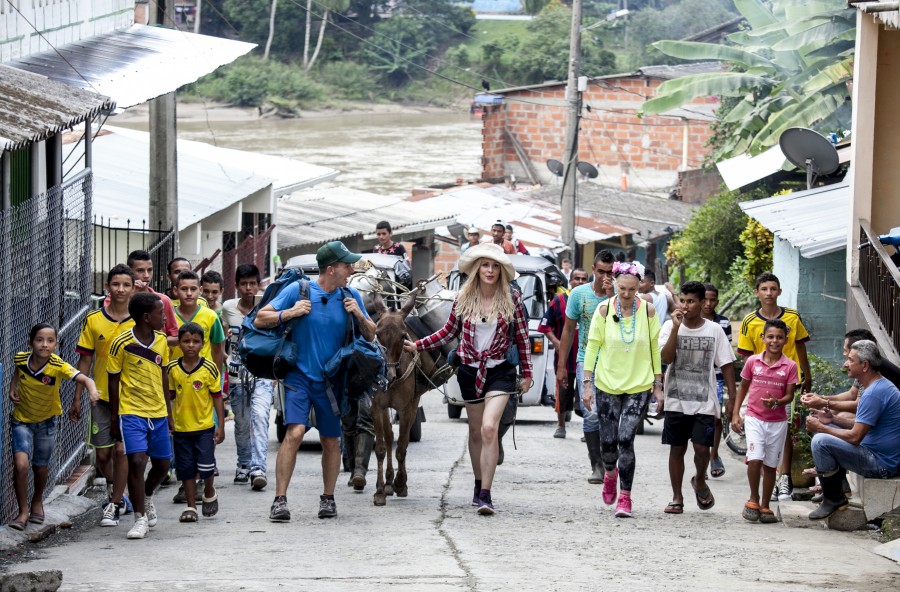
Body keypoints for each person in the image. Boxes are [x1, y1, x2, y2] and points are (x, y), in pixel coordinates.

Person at [405, 243, 532, 515]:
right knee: (475, 431)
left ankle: (486, 493)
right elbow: (448, 332)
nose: (490, 270)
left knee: (489, 429)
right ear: (476, 269)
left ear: (501, 271)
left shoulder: (513, 299)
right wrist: (419, 345)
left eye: (495, 266)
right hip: (469, 370)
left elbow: (522, 337)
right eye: (485, 265)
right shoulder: (463, 298)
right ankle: (477, 485)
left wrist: (528, 374)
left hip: (500, 370)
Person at [255, 241, 375, 521]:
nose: (351, 270)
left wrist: (358, 314)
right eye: (347, 265)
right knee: (294, 432)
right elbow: (261, 318)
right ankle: (280, 500)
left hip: (332, 381)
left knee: (330, 440)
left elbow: (371, 334)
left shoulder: (351, 295)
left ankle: (328, 498)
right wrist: (291, 312)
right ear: (331, 269)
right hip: (298, 376)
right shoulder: (299, 291)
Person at [582, 260, 662, 518]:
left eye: (631, 289)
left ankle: (625, 497)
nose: (626, 294)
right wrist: (586, 383)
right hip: (607, 383)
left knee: (626, 438)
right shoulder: (604, 310)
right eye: (622, 289)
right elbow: (592, 346)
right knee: (608, 443)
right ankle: (609, 473)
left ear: (639, 286)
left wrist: (658, 385)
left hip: (639, 384)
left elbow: (654, 348)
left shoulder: (648, 311)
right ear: (615, 285)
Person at [8, 324, 100, 531]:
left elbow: (84, 378)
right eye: (39, 340)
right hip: (21, 420)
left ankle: (37, 502)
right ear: (30, 342)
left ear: (56, 344)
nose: (44, 345)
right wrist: (13, 388)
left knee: (40, 466)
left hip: (47, 423)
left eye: (50, 341)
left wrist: (92, 391)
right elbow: (17, 372)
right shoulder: (21, 358)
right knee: (21, 464)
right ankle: (22, 512)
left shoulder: (58, 365)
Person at [659, 281, 736, 515]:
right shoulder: (669, 326)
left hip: (705, 400)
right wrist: (675, 328)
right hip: (676, 399)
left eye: (691, 301)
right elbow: (667, 357)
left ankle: (700, 481)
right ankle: (677, 496)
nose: (685, 305)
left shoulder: (714, 330)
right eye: (682, 300)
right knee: (677, 448)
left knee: (703, 449)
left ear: (703, 304)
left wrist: (732, 399)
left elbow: (727, 365)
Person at [737, 272, 811, 502]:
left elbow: (800, 348)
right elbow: (747, 359)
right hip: (760, 385)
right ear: (757, 292)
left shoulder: (792, 317)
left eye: (773, 289)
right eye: (764, 289)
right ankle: (765, 481)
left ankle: (785, 477)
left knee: (786, 430)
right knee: (760, 434)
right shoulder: (750, 322)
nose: (769, 293)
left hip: (789, 383)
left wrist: (807, 375)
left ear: (779, 291)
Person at [806, 340, 900, 520]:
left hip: (881, 464)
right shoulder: (873, 386)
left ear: (864, 365)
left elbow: (856, 437)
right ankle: (837, 491)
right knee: (828, 429)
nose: (845, 364)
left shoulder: (875, 392)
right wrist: (832, 419)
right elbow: (861, 427)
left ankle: (833, 498)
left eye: (850, 360)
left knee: (820, 440)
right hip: (874, 452)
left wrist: (821, 427)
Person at [107, 292, 173, 540]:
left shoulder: (162, 341)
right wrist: (115, 418)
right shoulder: (120, 342)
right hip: (131, 412)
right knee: (136, 461)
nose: (164, 317)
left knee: (163, 465)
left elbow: (164, 376)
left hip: (157, 412)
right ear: (147, 317)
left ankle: (146, 494)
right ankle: (139, 518)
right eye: (160, 313)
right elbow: (113, 381)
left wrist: (168, 413)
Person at [75, 264, 136, 527]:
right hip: (100, 396)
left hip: (131, 397)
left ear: (133, 289)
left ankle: (116, 500)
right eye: (116, 284)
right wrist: (77, 396)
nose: (120, 289)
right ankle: (116, 488)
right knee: (102, 456)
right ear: (107, 287)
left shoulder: (140, 320)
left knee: (122, 451)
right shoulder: (93, 320)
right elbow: (85, 362)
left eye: (126, 285)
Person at [731, 319, 798, 523]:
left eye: (779, 337)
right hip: (754, 418)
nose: (774, 341)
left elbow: (790, 395)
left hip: (777, 423)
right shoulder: (752, 362)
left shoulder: (790, 366)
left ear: (785, 340)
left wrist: (777, 402)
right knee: (755, 457)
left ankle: (766, 505)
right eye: (770, 336)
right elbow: (742, 387)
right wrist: (736, 413)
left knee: (770, 465)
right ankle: (753, 498)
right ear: (763, 338)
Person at [556, 250, 615, 483]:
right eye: (601, 272)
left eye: (610, 273)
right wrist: (562, 367)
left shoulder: (623, 295)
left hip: (617, 364)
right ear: (593, 270)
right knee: (591, 414)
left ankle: (611, 459)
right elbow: (568, 330)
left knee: (611, 416)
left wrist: (613, 297)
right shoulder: (579, 295)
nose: (605, 277)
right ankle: (597, 465)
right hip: (586, 362)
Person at [221, 264, 276, 490]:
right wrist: (225, 360)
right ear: (236, 286)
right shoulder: (227, 308)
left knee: (261, 417)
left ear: (259, 284)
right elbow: (220, 339)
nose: (248, 288)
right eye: (244, 284)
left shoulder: (268, 308)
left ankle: (258, 467)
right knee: (242, 423)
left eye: (252, 283)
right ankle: (243, 463)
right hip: (237, 376)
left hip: (262, 373)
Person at [167, 323, 225, 522]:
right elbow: (170, 395)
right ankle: (190, 507)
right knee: (186, 469)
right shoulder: (173, 369)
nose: (191, 345)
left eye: (195, 342)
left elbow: (217, 397)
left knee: (207, 466)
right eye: (186, 341)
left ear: (202, 344)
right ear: (179, 344)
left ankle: (209, 490)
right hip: (182, 428)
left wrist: (221, 425)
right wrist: (169, 418)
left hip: (204, 428)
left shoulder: (209, 368)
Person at [801, 329, 900, 419]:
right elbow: (851, 394)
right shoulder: (864, 365)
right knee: (830, 412)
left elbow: (858, 406)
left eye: (846, 350)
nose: (844, 354)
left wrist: (824, 403)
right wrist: (820, 398)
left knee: (841, 415)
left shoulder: (871, 369)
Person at [538, 267, 588, 439]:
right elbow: (545, 326)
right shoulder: (558, 301)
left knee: (586, 394)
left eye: (583, 279)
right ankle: (561, 426)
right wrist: (556, 342)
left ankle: (586, 429)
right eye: (577, 278)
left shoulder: (592, 301)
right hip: (565, 359)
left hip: (587, 358)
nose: (580, 282)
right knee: (562, 391)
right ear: (570, 281)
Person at [701, 283, 733, 478]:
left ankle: (714, 455)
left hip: (717, 376)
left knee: (715, 417)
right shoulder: (691, 321)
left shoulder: (723, 323)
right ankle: (701, 460)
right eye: (705, 299)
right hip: (696, 377)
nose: (708, 303)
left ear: (717, 301)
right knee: (698, 419)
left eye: (713, 300)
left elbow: (725, 353)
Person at [123, 250, 179, 348]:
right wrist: (131, 298)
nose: (146, 276)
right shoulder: (117, 299)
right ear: (129, 272)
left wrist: (152, 342)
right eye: (140, 270)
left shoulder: (163, 301)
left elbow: (175, 338)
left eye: (150, 270)